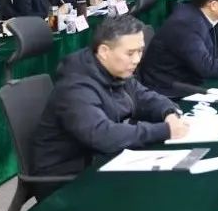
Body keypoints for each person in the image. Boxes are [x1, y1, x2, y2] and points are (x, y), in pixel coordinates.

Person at [28, 15, 189, 199]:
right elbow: (103, 135)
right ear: (104, 51)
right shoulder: (75, 87)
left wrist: (169, 113)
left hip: (103, 160)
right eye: (130, 53)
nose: (137, 60)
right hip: (67, 180)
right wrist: (165, 130)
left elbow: (144, 96)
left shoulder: (115, 70)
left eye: (140, 51)